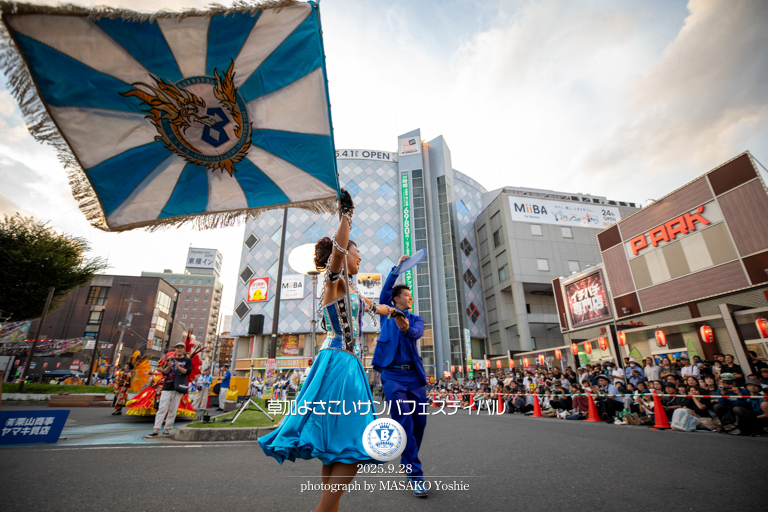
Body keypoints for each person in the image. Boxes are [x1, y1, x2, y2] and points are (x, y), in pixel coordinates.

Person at [259, 189, 402, 510]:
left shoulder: (350, 289)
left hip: (342, 363)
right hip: (340, 363)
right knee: (354, 439)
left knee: (337, 443)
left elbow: (374, 306)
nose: (359, 257)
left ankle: (329, 508)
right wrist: (346, 215)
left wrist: (395, 313)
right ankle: (324, 510)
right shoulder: (334, 281)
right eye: (356, 252)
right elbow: (338, 253)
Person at [147, 342, 192, 437]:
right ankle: (156, 429)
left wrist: (178, 367)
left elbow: (187, 372)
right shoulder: (170, 359)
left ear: (184, 350)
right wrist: (169, 366)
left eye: (181, 348)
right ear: (175, 349)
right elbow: (164, 372)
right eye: (177, 348)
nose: (179, 349)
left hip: (179, 387)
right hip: (167, 386)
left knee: (173, 409)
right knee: (162, 408)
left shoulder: (187, 360)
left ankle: (167, 429)